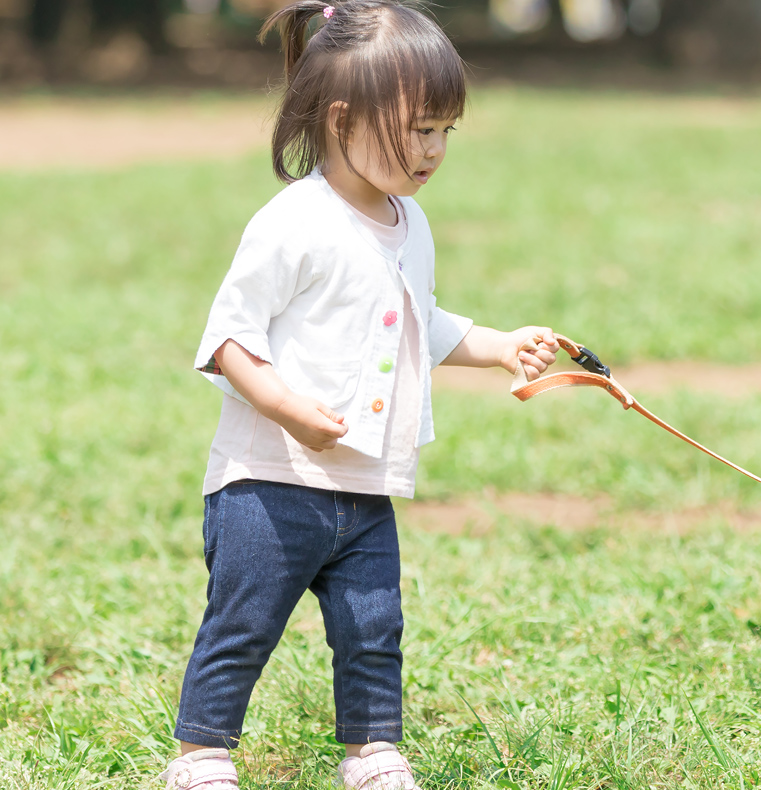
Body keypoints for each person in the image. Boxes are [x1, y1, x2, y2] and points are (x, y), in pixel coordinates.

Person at [161, 2, 559, 788]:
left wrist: (501, 344)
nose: (434, 149)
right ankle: (202, 756)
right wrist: (289, 411)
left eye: (446, 129)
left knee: (374, 627)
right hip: (267, 484)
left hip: (366, 483)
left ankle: (372, 753)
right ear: (342, 118)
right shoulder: (293, 223)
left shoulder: (410, 223)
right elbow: (230, 339)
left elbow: (422, 321)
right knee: (243, 626)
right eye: (418, 129)